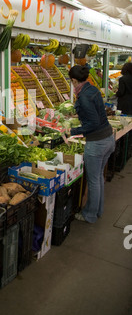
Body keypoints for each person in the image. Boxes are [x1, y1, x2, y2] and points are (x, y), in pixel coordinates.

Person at [68, 65, 115, 223]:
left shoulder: (83, 97)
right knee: (99, 178)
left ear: (74, 81)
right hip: (108, 138)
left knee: (94, 180)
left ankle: (90, 215)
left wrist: (72, 131)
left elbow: (93, 123)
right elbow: (94, 113)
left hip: (97, 142)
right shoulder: (92, 89)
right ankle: (98, 211)